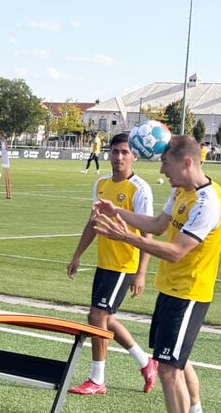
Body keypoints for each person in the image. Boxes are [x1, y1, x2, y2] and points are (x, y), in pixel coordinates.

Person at [93, 135, 221, 413]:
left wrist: (125, 237)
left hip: (189, 293)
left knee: (167, 368)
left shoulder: (207, 203)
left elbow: (176, 251)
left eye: (166, 164)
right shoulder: (181, 191)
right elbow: (156, 225)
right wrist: (118, 212)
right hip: (170, 290)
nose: (162, 171)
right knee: (176, 361)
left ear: (186, 162)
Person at [66, 133, 157, 396]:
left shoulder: (140, 189)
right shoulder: (102, 184)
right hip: (105, 263)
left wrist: (141, 272)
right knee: (106, 318)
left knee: (96, 317)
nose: (119, 157)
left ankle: (98, 380)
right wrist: (77, 255)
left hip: (124, 264)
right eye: (115, 151)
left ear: (134, 156)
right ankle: (146, 362)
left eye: (125, 152)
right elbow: (93, 223)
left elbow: (148, 234)